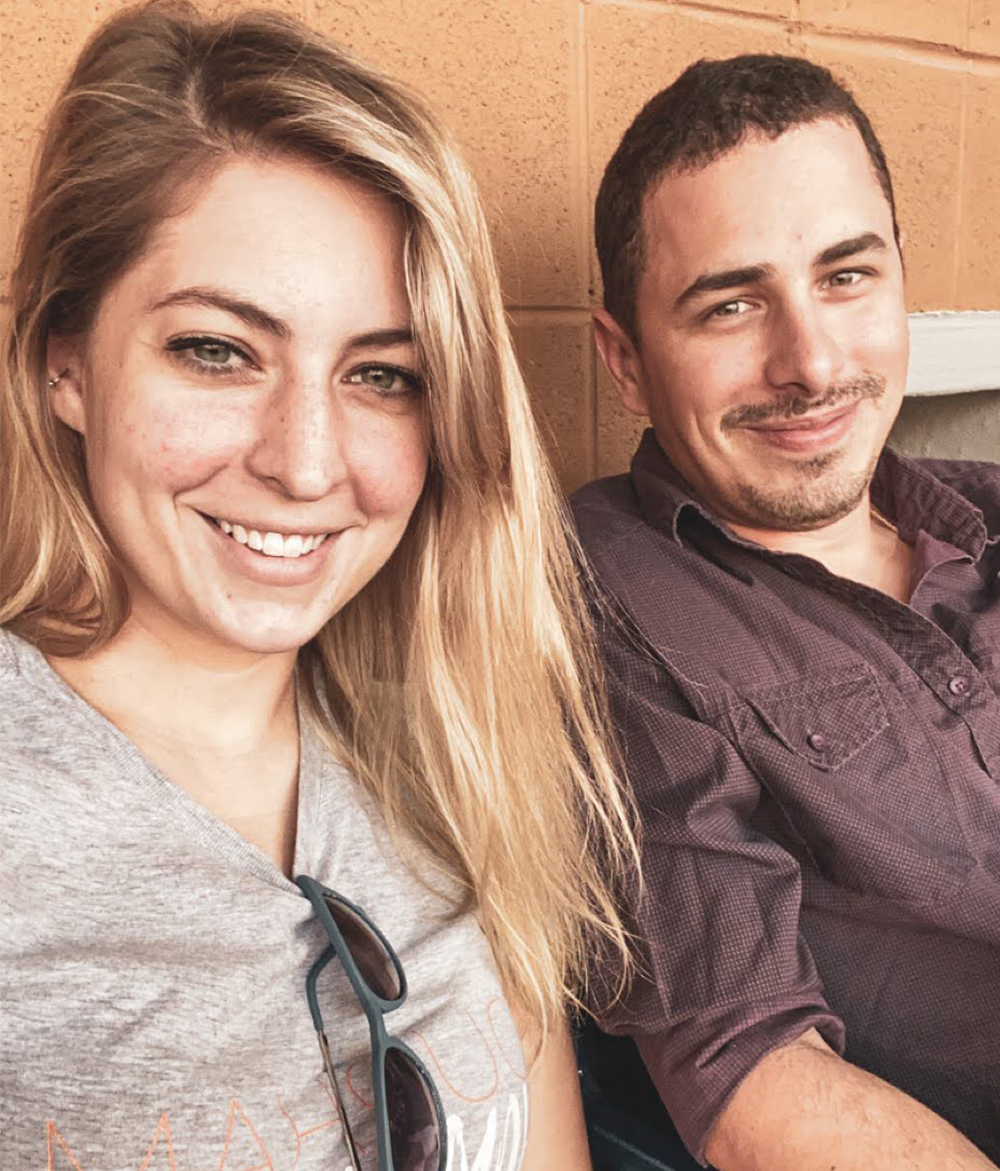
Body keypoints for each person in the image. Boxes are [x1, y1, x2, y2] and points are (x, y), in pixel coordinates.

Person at [0, 5, 638, 1169]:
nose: (303, 463)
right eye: (215, 350)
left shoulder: (453, 756)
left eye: (383, 374)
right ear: (67, 364)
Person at [573, 53, 1000, 1169]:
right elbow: (749, 1077)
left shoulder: (984, 511)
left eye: (846, 276)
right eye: (730, 304)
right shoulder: (608, 600)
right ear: (625, 360)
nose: (809, 363)